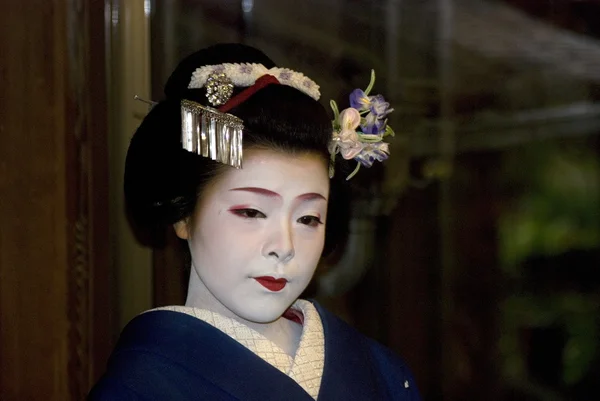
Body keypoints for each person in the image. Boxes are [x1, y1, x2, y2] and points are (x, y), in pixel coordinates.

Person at [89, 43, 420, 400]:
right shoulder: (140, 388)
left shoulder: (379, 370)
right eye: (251, 212)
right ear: (184, 213)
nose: (284, 247)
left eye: (308, 218)